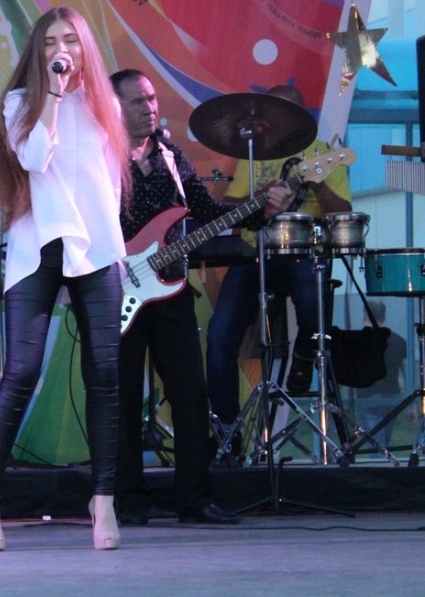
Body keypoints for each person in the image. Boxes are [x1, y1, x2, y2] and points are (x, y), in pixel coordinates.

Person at [0, 6, 129, 552]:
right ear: (39, 52)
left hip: (97, 246)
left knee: (104, 373)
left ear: (85, 47)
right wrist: (55, 99)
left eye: (70, 40)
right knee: (21, 370)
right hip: (38, 241)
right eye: (50, 42)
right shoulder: (21, 102)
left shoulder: (106, 104)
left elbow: (110, 185)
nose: (61, 50)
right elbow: (35, 158)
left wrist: (118, 251)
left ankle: (103, 499)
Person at [111, 69, 293, 525]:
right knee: (122, 398)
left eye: (152, 99)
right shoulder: (98, 158)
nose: (150, 108)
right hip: (118, 289)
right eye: (137, 102)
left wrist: (261, 209)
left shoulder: (171, 156)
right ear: (114, 108)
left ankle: (194, 498)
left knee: (191, 395)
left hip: (171, 288)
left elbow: (207, 212)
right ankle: (127, 501)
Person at [205, 85, 352, 436]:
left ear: (301, 116)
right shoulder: (252, 154)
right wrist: (262, 195)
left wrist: (317, 184)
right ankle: (226, 430)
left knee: (313, 299)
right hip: (254, 255)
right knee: (219, 336)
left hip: (303, 254)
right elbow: (230, 209)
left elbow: (343, 213)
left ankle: (304, 355)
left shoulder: (323, 152)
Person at [353, 300, 408, 451]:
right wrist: (413, 406)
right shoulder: (399, 341)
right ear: (383, 317)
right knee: (384, 445)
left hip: (367, 398)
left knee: (377, 447)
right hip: (392, 399)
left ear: (365, 315)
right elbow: (407, 374)